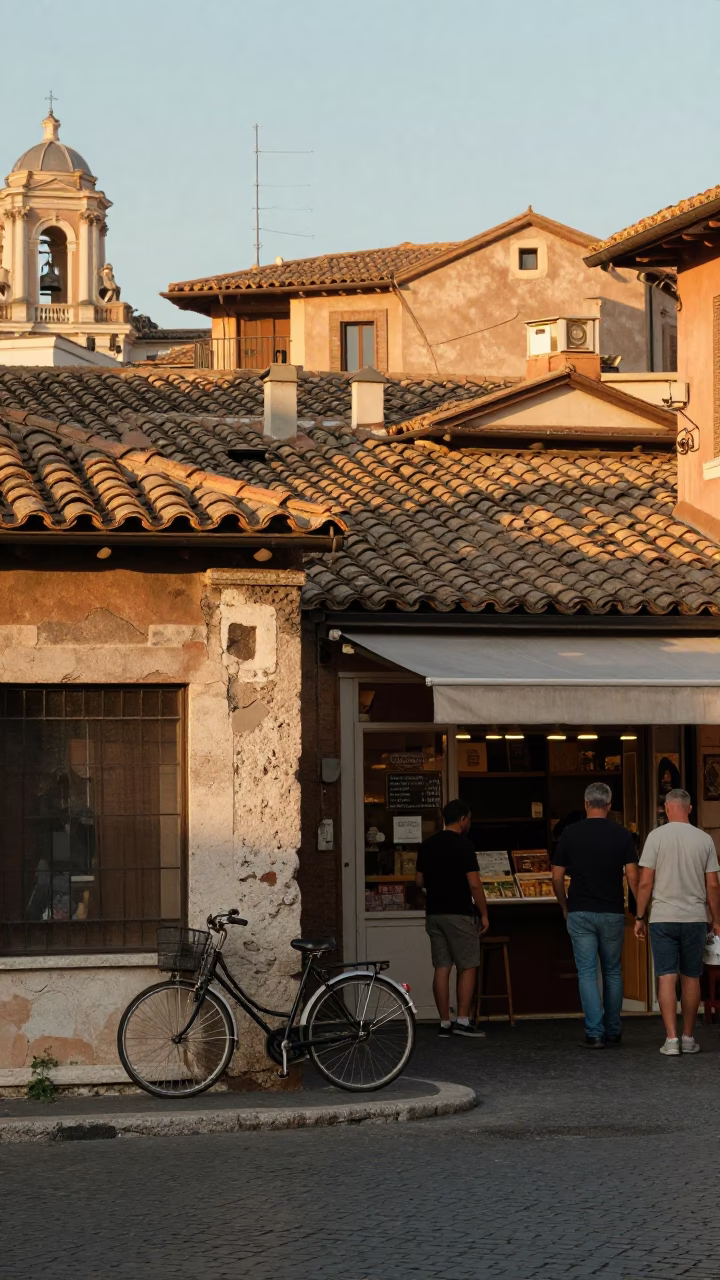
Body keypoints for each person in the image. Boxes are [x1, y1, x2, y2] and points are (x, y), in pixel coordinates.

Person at [551, 782, 639, 1048]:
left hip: (580, 910)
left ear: (586, 803)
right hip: (612, 911)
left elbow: (556, 876)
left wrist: (564, 904)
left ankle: (594, 1033)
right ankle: (613, 1030)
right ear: (610, 805)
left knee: (587, 973)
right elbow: (633, 876)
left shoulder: (570, 833)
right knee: (612, 971)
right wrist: (640, 911)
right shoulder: (622, 834)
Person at [634, 787, 720, 1056]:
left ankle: (671, 1040)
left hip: (662, 918)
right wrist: (716, 918)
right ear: (690, 808)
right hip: (694, 918)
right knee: (691, 977)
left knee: (667, 977)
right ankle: (689, 1037)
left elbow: (645, 881)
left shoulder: (655, 837)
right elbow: (713, 885)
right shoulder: (704, 839)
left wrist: (639, 916)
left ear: (667, 808)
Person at [415, 798, 489, 1038]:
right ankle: (463, 1021)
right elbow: (475, 885)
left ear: (444, 819)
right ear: (464, 819)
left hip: (434, 913)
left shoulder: (427, 846)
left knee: (442, 966)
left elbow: (419, 882)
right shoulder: (464, 846)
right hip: (459, 912)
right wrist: (484, 913)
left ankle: (444, 1022)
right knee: (468, 965)